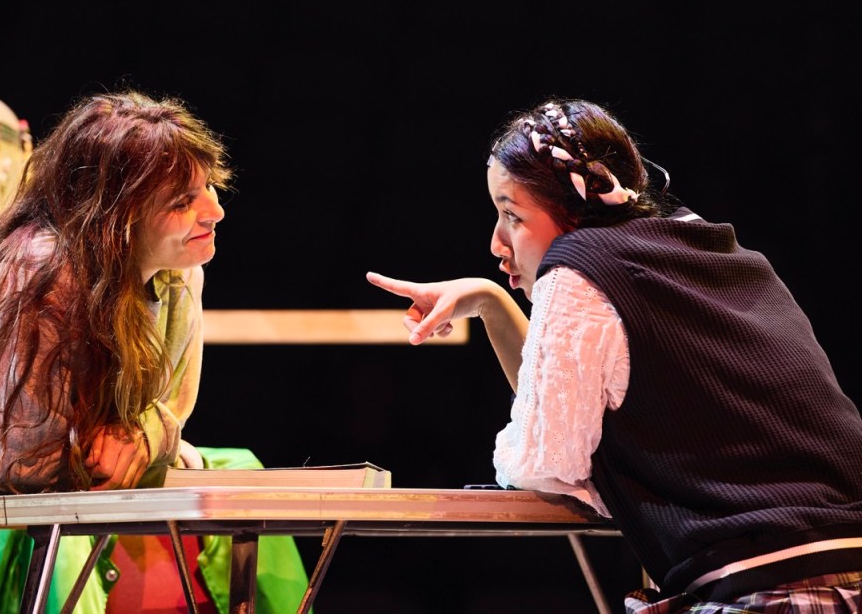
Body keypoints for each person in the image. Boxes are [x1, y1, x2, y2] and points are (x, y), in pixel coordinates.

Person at [367, 99, 862, 613]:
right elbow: (564, 414)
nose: (497, 242)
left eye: (512, 214)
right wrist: (492, 302)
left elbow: (544, 464)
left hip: (779, 591)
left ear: (574, 210)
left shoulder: (576, 265)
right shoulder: (718, 250)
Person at [0, 90, 243, 611]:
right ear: (117, 215)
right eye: (182, 201)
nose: (215, 210)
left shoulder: (178, 270)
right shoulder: (44, 274)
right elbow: (20, 462)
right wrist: (122, 447)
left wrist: (142, 437)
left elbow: (168, 410)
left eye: (208, 186)